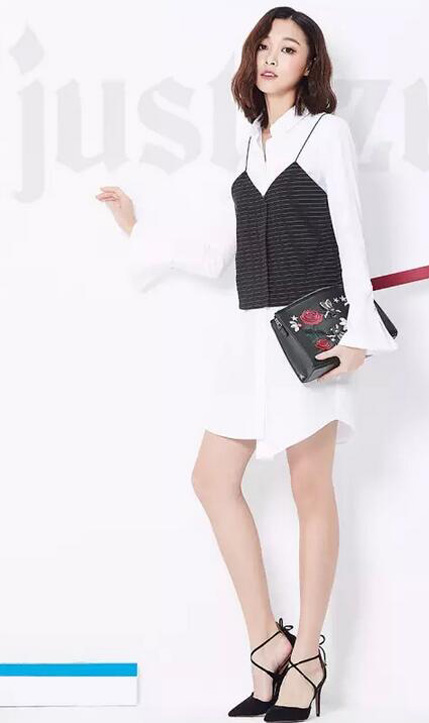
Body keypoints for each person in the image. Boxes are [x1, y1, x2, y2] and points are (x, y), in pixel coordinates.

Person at [96, 7, 398, 721]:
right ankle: (267, 640)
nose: (271, 56)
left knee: (309, 488)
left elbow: (352, 235)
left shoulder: (326, 133)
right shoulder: (249, 143)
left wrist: (358, 337)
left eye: (288, 48)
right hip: (248, 337)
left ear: (309, 65)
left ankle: (309, 656)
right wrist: (139, 230)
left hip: (308, 336)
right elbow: (221, 248)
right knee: (212, 478)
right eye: (265, 44)